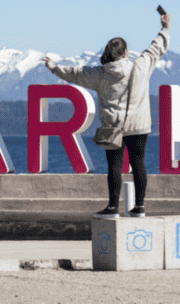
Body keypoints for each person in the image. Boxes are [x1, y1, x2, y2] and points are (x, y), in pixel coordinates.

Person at [42, 13, 171, 219]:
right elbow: (157, 48)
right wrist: (164, 28)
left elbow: (75, 73)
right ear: (126, 52)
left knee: (114, 166)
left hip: (113, 127)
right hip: (139, 126)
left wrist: (54, 68)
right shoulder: (140, 66)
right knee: (138, 163)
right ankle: (139, 207)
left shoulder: (99, 74)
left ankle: (112, 207)